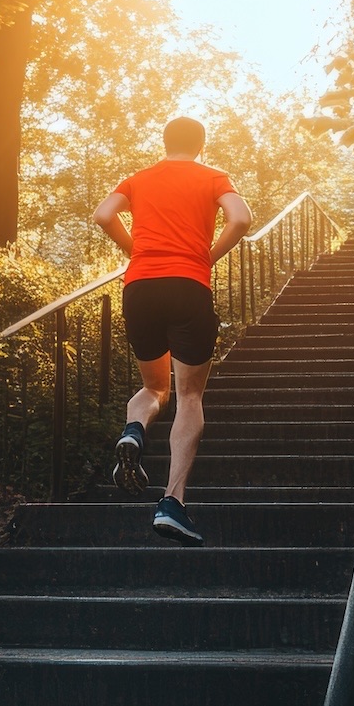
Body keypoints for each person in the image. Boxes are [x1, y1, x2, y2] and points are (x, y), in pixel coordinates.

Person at [91, 116, 252, 545]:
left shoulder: (139, 179)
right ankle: (172, 503)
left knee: (154, 387)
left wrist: (136, 251)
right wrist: (207, 257)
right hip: (188, 285)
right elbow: (241, 218)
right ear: (201, 144)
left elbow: (103, 214)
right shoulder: (212, 176)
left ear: (165, 142)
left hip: (139, 286)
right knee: (190, 394)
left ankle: (133, 431)